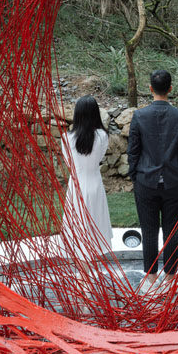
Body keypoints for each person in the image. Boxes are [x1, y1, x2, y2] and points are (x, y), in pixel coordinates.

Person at [127, 69, 178, 287]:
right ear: (170, 89)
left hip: (146, 181)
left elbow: (133, 151)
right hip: (173, 182)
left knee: (148, 230)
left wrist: (135, 174)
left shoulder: (139, 116)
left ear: (150, 88)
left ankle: (151, 277)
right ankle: (171, 278)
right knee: (172, 230)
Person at [61, 96, 113, 264]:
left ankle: (84, 275)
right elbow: (99, 157)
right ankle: (88, 272)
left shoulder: (66, 137)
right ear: (95, 113)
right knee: (94, 225)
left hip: (76, 186)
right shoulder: (102, 136)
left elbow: (69, 163)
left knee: (78, 227)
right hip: (95, 184)